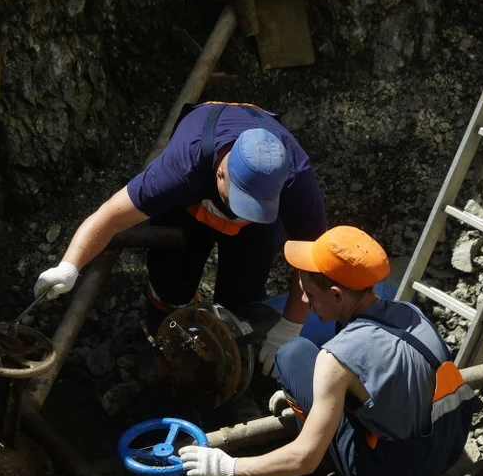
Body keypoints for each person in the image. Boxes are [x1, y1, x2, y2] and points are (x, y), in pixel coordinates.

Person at [177, 226, 482, 476]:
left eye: (308, 292)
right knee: (300, 355)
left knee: (292, 355)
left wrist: (227, 468)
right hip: (451, 445)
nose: (305, 301)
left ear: (336, 295)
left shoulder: (336, 359)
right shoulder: (409, 312)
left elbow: (303, 458)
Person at [33, 101, 327, 376]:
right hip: (189, 206)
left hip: (256, 213)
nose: (243, 215)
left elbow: (314, 260)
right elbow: (109, 217)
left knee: (244, 290)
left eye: (254, 208)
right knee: (171, 279)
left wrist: (290, 326)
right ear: (221, 173)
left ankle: (235, 359)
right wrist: (69, 267)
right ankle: (166, 340)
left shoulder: (294, 176)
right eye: (240, 203)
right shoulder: (182, 167)